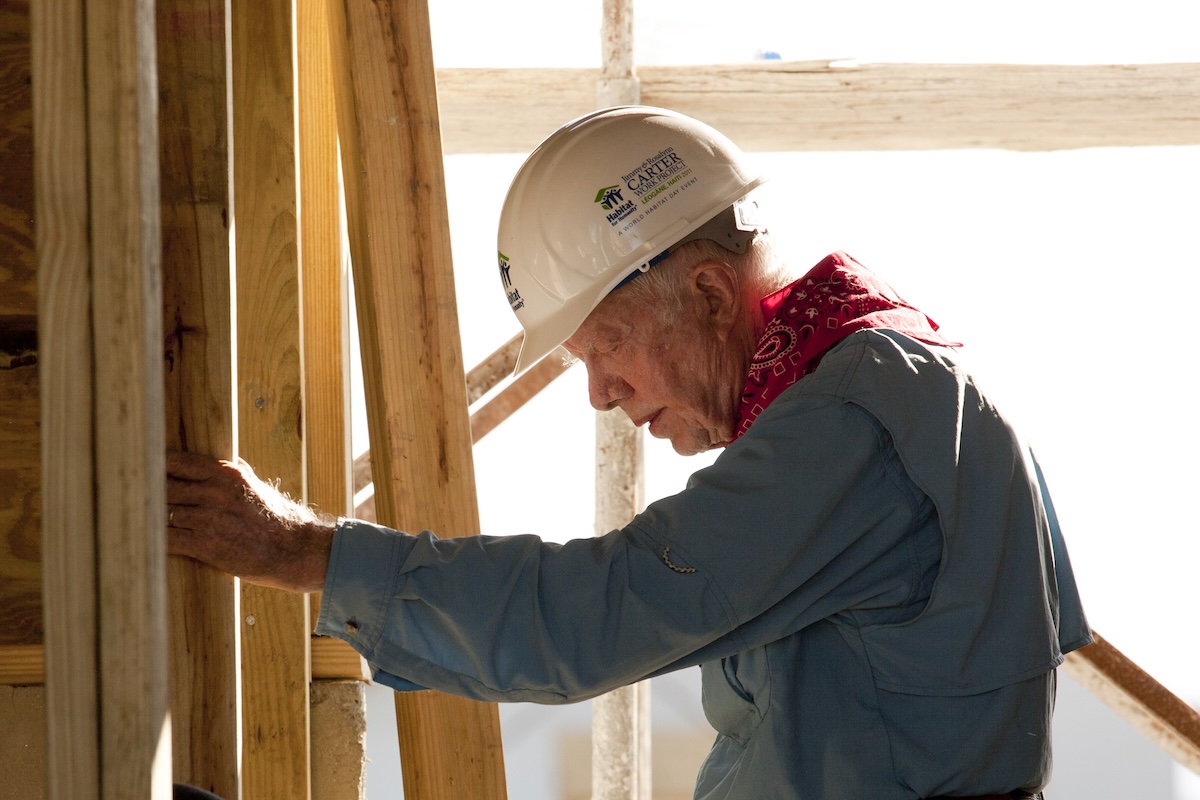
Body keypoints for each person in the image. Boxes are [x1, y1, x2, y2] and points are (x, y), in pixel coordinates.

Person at [168, 106, 1091, 799]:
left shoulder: (854, 423)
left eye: (607, 346)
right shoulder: (895, 381)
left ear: (707, 292)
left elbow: (599, 612)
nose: (600, 393)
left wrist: (303, 552)